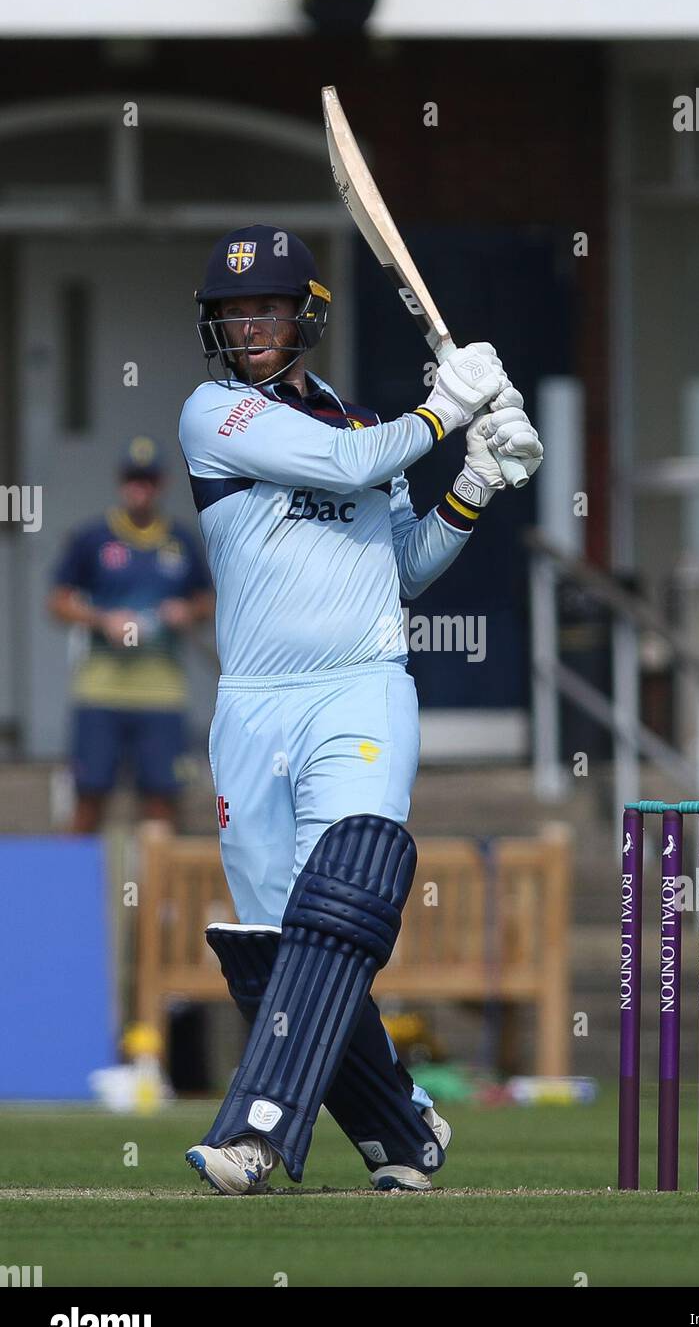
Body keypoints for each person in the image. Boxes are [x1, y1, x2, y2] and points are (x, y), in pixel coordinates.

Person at [180, 224, 542, 1194]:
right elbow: (344, 467)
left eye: (265, 308)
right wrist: (447, 411)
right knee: (271, 953)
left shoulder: (366, 425)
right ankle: (404, 1128)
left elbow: (408, 568)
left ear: (304, 316)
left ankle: (256, 1135)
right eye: (232, 311)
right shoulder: (215, 414)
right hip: (252, 704)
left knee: (342, 893)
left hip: (361, 685)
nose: (248, 325)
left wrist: (475, 480)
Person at [48, 437, 214, 832]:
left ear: (162, 483)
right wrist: (103, 618)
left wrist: (185, 612)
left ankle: (154, 895)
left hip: (161, 692)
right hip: (100, 689)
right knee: (89, 796)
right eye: (133, 478)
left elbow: (206, 603)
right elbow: (58, 602)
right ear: (121, 481)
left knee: (162, 799)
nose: (140, 488)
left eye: (149, 479)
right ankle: (79, 891)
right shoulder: (93, 537)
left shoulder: (180, 540)